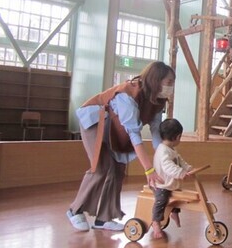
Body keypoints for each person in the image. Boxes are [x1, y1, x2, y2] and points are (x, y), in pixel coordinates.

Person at [66, 61, 174, 232]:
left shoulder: (158, 100)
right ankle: (75, 210)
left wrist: (164, 158)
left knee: (118, 170)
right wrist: (148, 169)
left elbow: (155, 132)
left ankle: (104, 218)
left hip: (117, 127)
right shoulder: (128, 95)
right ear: (156, 80)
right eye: (169, 83)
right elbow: (134, 134)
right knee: (100, 167)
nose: (171, 87)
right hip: (95, 120)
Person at [151, 118, 193, 239]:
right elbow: (168, 167)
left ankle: (174, 213)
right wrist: (181, 173)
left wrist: (188, 168)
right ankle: (156, 222)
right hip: (161, 185)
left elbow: (180, 161)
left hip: (170, 184)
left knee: (177, 197)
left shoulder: (171, 149)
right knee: (161, 200)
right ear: (177, 137)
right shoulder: (163, 151)